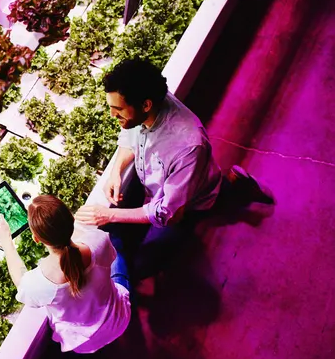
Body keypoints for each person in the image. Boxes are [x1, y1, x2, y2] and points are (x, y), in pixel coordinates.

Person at [75, 58, 273, 275]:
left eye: (118, 109)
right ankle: (232, 183)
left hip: (187, 207)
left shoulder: (187, 145)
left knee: (138, 268)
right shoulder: (146, 106)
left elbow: (167, 213)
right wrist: (116, 172)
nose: (112, 115)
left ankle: (237, 187)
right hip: (167, 189)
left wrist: (109, 215)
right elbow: (131, 133)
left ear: (146, 105)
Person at [0, 195, 130, 359]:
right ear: (71, 219)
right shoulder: (98, 241)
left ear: (36, 239)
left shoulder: (39, 284)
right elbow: (102, 254)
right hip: (119, 315)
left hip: (85, 340)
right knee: (119, 256)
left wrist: (6, 241)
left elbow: (20, 280)